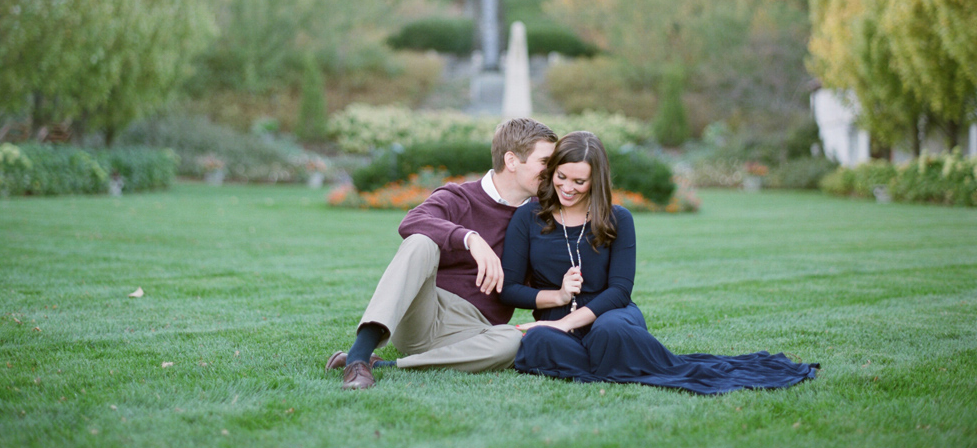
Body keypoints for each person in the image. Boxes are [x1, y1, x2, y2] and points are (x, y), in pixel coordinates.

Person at [500, 131, 818, 394]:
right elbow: (510, 290)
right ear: (552, 171)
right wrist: (557, 298)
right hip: (556, 321)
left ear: (596, 181)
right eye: (562, 177)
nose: (568, 188)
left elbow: (621, 290)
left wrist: (564, 322)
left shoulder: (617, 219)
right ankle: (612, 362)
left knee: (609, 333)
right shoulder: (527, 218)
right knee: (539, 341)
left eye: (580, 182)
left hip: (609, 315)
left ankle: (604, 358)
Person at [328, 117, 557, 390]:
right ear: (511, 161)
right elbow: (412, 221)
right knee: (420, 242)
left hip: (475, 329)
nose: (552, 171)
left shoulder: (540, 215)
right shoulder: (459, 196)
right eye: (545, 162)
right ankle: (357, 358)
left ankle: (384, 366)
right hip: (424, 313)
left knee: (514, 342)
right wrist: (471, 239)